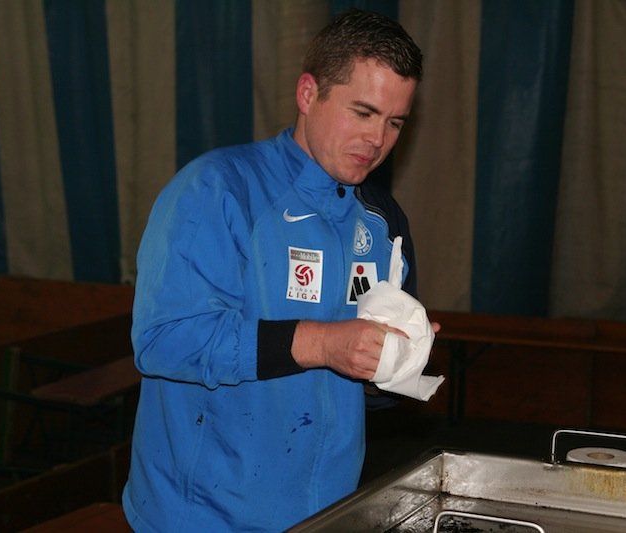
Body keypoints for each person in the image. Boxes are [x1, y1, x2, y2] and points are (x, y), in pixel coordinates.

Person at [123, 8, 437, 531]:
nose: (377, 139)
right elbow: (163, 340)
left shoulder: (383, 222)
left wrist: (397, 360)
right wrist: (323, 344)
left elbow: (367, 396)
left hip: (326, 514)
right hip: (200, 518)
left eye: (394, 122)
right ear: (308, 94)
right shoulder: (219, 190)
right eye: (363, 112)